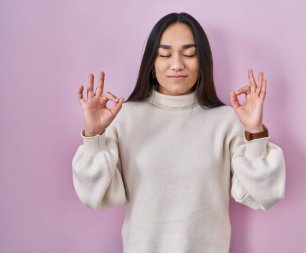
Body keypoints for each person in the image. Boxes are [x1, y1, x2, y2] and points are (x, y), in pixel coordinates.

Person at [72, 12, 286, 253]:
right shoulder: (124, 118)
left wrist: (254, 130)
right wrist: (93, 136)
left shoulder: (226, 121)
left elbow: (264, 194)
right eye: (164, 54)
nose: (177, 64)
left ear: (202, 62)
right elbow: (93, 196)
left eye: (189, 54)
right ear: (152, 63)